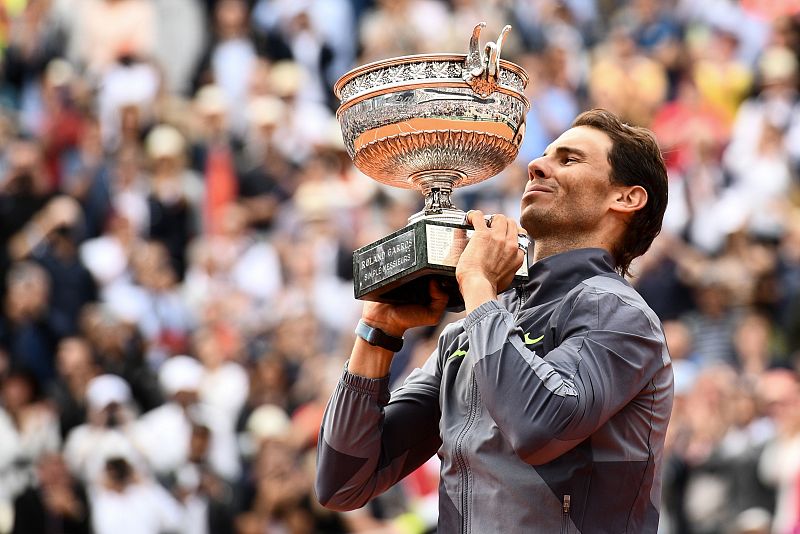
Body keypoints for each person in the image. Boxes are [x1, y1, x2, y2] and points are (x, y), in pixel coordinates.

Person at [315, 109, 674, 532]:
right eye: (543, 156)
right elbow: (343, 482)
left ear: (626, 198)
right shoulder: (468, 332)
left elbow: (538, 426)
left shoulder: (620, 315)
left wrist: (480, 286)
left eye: (570, 159)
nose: (537, 165)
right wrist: (378, 331)